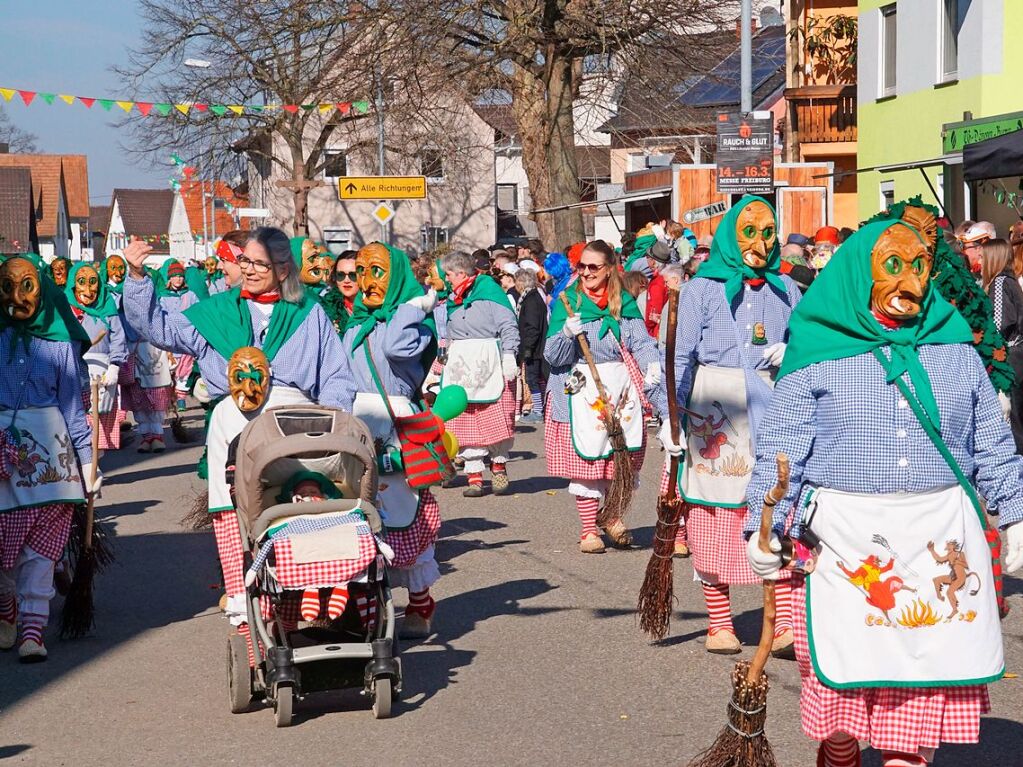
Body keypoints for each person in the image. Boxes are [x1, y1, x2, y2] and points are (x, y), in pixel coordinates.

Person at [746, 219, 1023, 767]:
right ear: (858, 272)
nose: (911, 284)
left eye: (919, 267)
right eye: (893, 267)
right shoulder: (818, 352)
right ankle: (842, 749)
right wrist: (766, 523)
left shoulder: (955, 351)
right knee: (841, 686)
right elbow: (783, 447)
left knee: (915, 687)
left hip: (937, 533)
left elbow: (991, 441)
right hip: (842, 544)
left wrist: (1014, 515)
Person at [121, 228, 354, 641]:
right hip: (233, 423)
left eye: (257, 264)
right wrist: (137, 277)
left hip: (294, 423)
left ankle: (302, 596)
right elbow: (157, 327)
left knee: (296, 507)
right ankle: (249, 616)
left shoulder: (309, 314)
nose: (246, 270)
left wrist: (332, 425)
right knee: (236, 517)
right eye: (243, 261)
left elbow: (335, 376)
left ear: (283, 270)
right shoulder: (216, 313)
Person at [660, 195, 802, 656]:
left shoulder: (789, 289)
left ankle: (779, 621)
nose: (760, 243)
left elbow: (807, 348)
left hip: (773, 406)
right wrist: (670, 416)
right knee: (714, 513)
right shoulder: (701, 290)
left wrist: (794, 352)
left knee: (776, 505)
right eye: (750, 232)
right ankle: (719, 622)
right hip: (715, 411)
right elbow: (679, 357)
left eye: (767, 231)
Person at [339, 242, 442, 638]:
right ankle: (367, 603)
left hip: (397, 426)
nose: (366, 281)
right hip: (357, 426)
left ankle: (420, 601)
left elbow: (395, 347)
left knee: (402, 513)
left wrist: (414, 306)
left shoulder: (411, 324)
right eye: (361, 271)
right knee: (360, 516)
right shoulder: (355, 324)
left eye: (377, 271)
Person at [0, 255, 98, 662]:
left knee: (42, 550)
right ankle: (7, 604)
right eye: (6, 286)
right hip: (2, 453)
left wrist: (89, 465)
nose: (17, 297)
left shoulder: (61, 345)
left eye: (27, 286)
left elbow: (74, 409)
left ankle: (32, 631)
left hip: (52, 461)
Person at [544, 240, 666, 552]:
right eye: (581, 267)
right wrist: (566, 334)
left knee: (617, 460)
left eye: (593, 267)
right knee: (588, 460)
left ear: (609, 269)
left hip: (619, 386)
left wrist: (652, 366)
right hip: (582, 387)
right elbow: (553, 357)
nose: (585, 272)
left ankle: (611, 517)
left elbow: (640, 341)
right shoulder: (568, 301)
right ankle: (589, 531)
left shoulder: (622, 301)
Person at [439, 251, 521, 497]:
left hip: (490, 362)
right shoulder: (454, 298)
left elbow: (508, 324)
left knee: (495, 418)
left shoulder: (490, 292)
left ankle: (498, 469)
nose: (447, 280)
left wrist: (509, 354)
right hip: (462, 365)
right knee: (465, 421)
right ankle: (474, 477)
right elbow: (449, 336)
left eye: (449, 275)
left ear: (462, 273)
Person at [65, 262, 128, 452]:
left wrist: (115, 365)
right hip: (75, 368)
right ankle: (85, 461)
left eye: (92, 282)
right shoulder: (66, 310)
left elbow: (118, 336)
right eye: (82, 282)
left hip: (103, 368)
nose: (87, 289)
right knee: (79, 416)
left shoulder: (107, 308)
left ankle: (96, 462)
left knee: (100, 413)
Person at [982, 238, 1023, 451]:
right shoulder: (1011, 281)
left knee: (1013, 420)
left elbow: (998, 324)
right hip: (1017, 356)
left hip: (1010, 358)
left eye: (983, 256)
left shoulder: (1000, 282)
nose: (980, 261)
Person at [156, 260, 200, 411]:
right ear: (169, 278)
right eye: (174, 276)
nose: (178, 279)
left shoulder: (191, 295)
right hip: (170, 337)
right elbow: (160, 316)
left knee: (185, 369)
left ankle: (181, 397)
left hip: (187, 337)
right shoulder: (163, 297)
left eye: (180, 276)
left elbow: (198, 312)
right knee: (169, 370)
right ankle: (169, 398)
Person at [515, 268, 548, 423]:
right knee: (535, 379)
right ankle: (539, 409)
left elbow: (532, 326)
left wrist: (528, 347)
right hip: (534, 346)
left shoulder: (531, 300)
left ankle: (538, 410)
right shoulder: (532, 297)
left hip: (534, 348)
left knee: (532, 379)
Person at [643, 241, 673, 338]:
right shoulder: (671, 277)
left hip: (657, 331)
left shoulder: (657, 283)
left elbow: (654, 311)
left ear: (652, 261)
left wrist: (647, 329)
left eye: (648, 258)